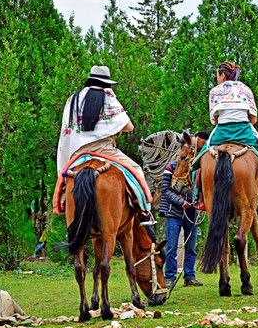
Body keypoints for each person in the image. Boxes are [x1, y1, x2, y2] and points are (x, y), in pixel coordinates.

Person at [56, 65, 155, 225]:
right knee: (137, 170)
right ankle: (145, 211)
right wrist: (115, 129)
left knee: (66, 178)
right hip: (104, 150)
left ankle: (64, 203)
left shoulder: (72, 99)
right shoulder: (107, 96)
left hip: (77, 153)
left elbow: (66, 132)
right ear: (106, 83)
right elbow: (129, 127)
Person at [207, 61, 258, 203]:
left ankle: (199, 195)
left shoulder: (215, 91)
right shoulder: (245, 90)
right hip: (244, 132)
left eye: (217, 75)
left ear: (223, 75)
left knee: (199, 160)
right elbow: (253, 119)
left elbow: (214, 120)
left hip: (222, 132)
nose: (217, 78)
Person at [158, 158, 203, 288]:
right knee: (171, 247)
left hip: (193, 213)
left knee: (191, 248)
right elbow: (165, 190)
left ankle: (189, 276)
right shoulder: (170, 167)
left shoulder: (199, 169)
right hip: (174, 212)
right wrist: (180, 202)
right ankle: (169, 277)